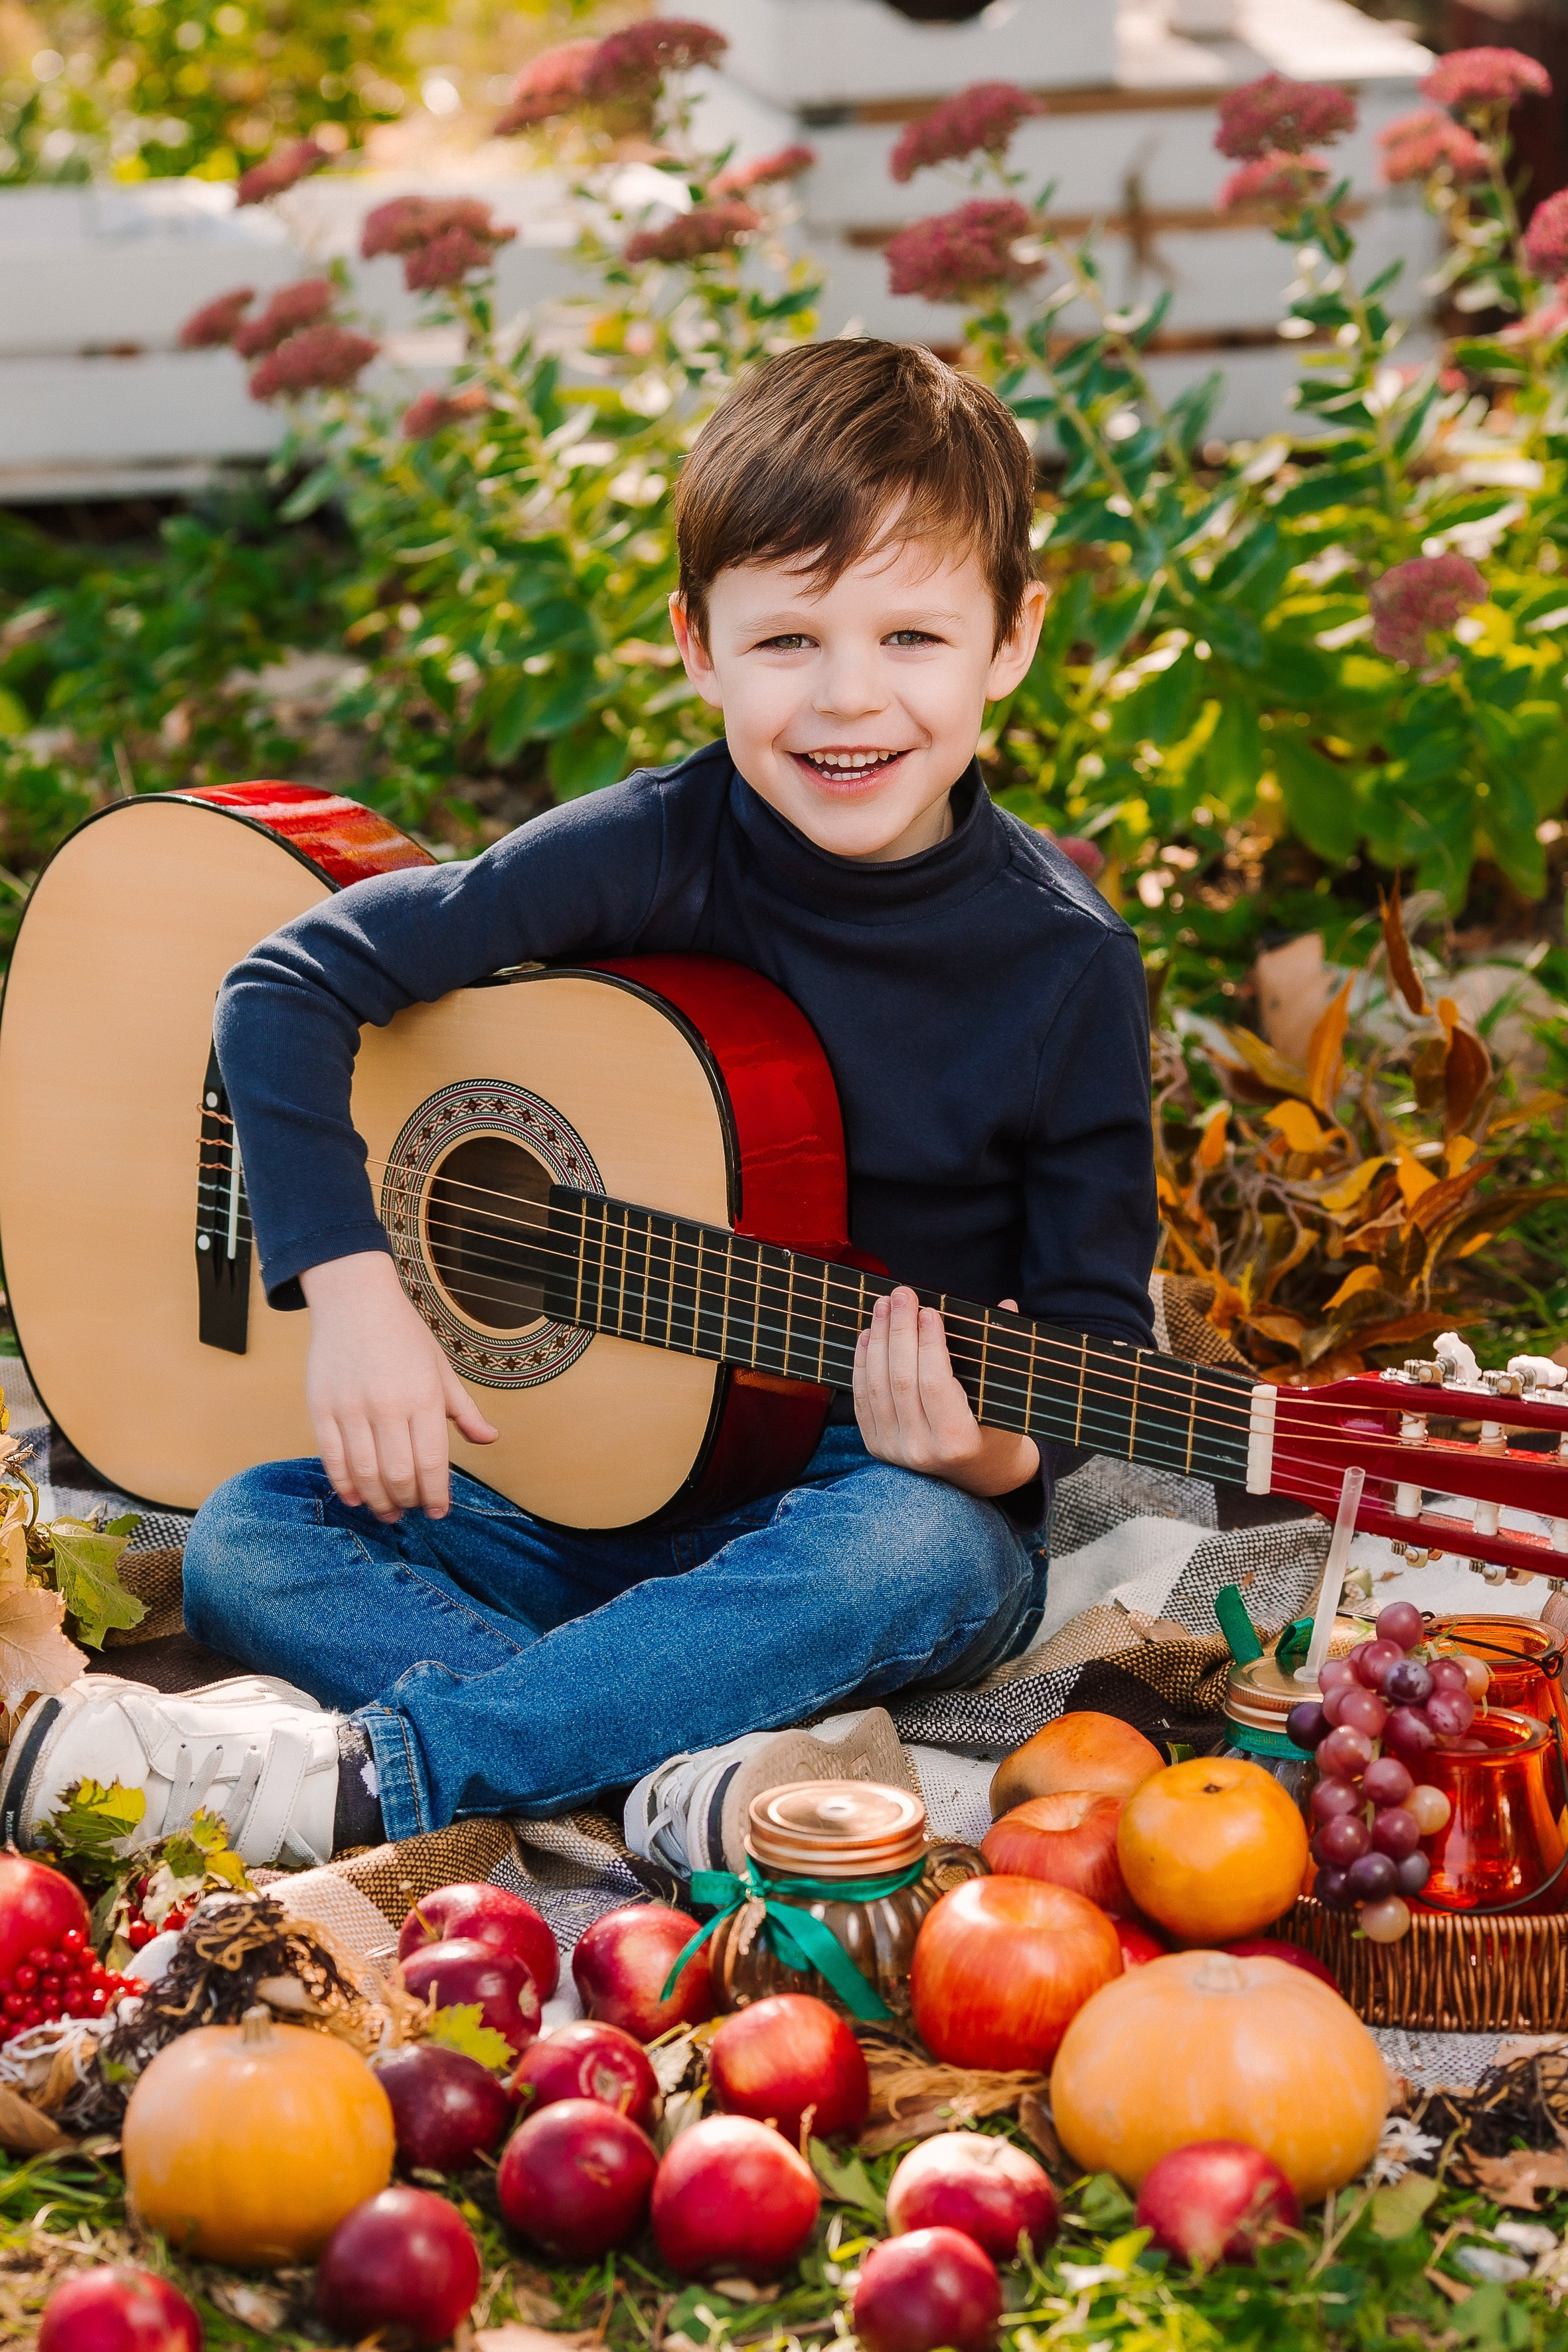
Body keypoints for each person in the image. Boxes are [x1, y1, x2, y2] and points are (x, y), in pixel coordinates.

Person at [0, 340, 1158, 1871]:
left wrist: (989, 1455)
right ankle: (656, 1750)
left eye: (910, 635)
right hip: (551, 1491)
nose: (848, 695)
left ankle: (398, 1770)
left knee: (925, 1555)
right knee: (248, 1536)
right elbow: (283, 983)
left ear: (1009, 640)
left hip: (849, 1501)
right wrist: (354, 1293)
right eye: (786, 638)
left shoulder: (1063, 967)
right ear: (696, 644)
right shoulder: (650, 845)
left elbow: (1097, 1346)